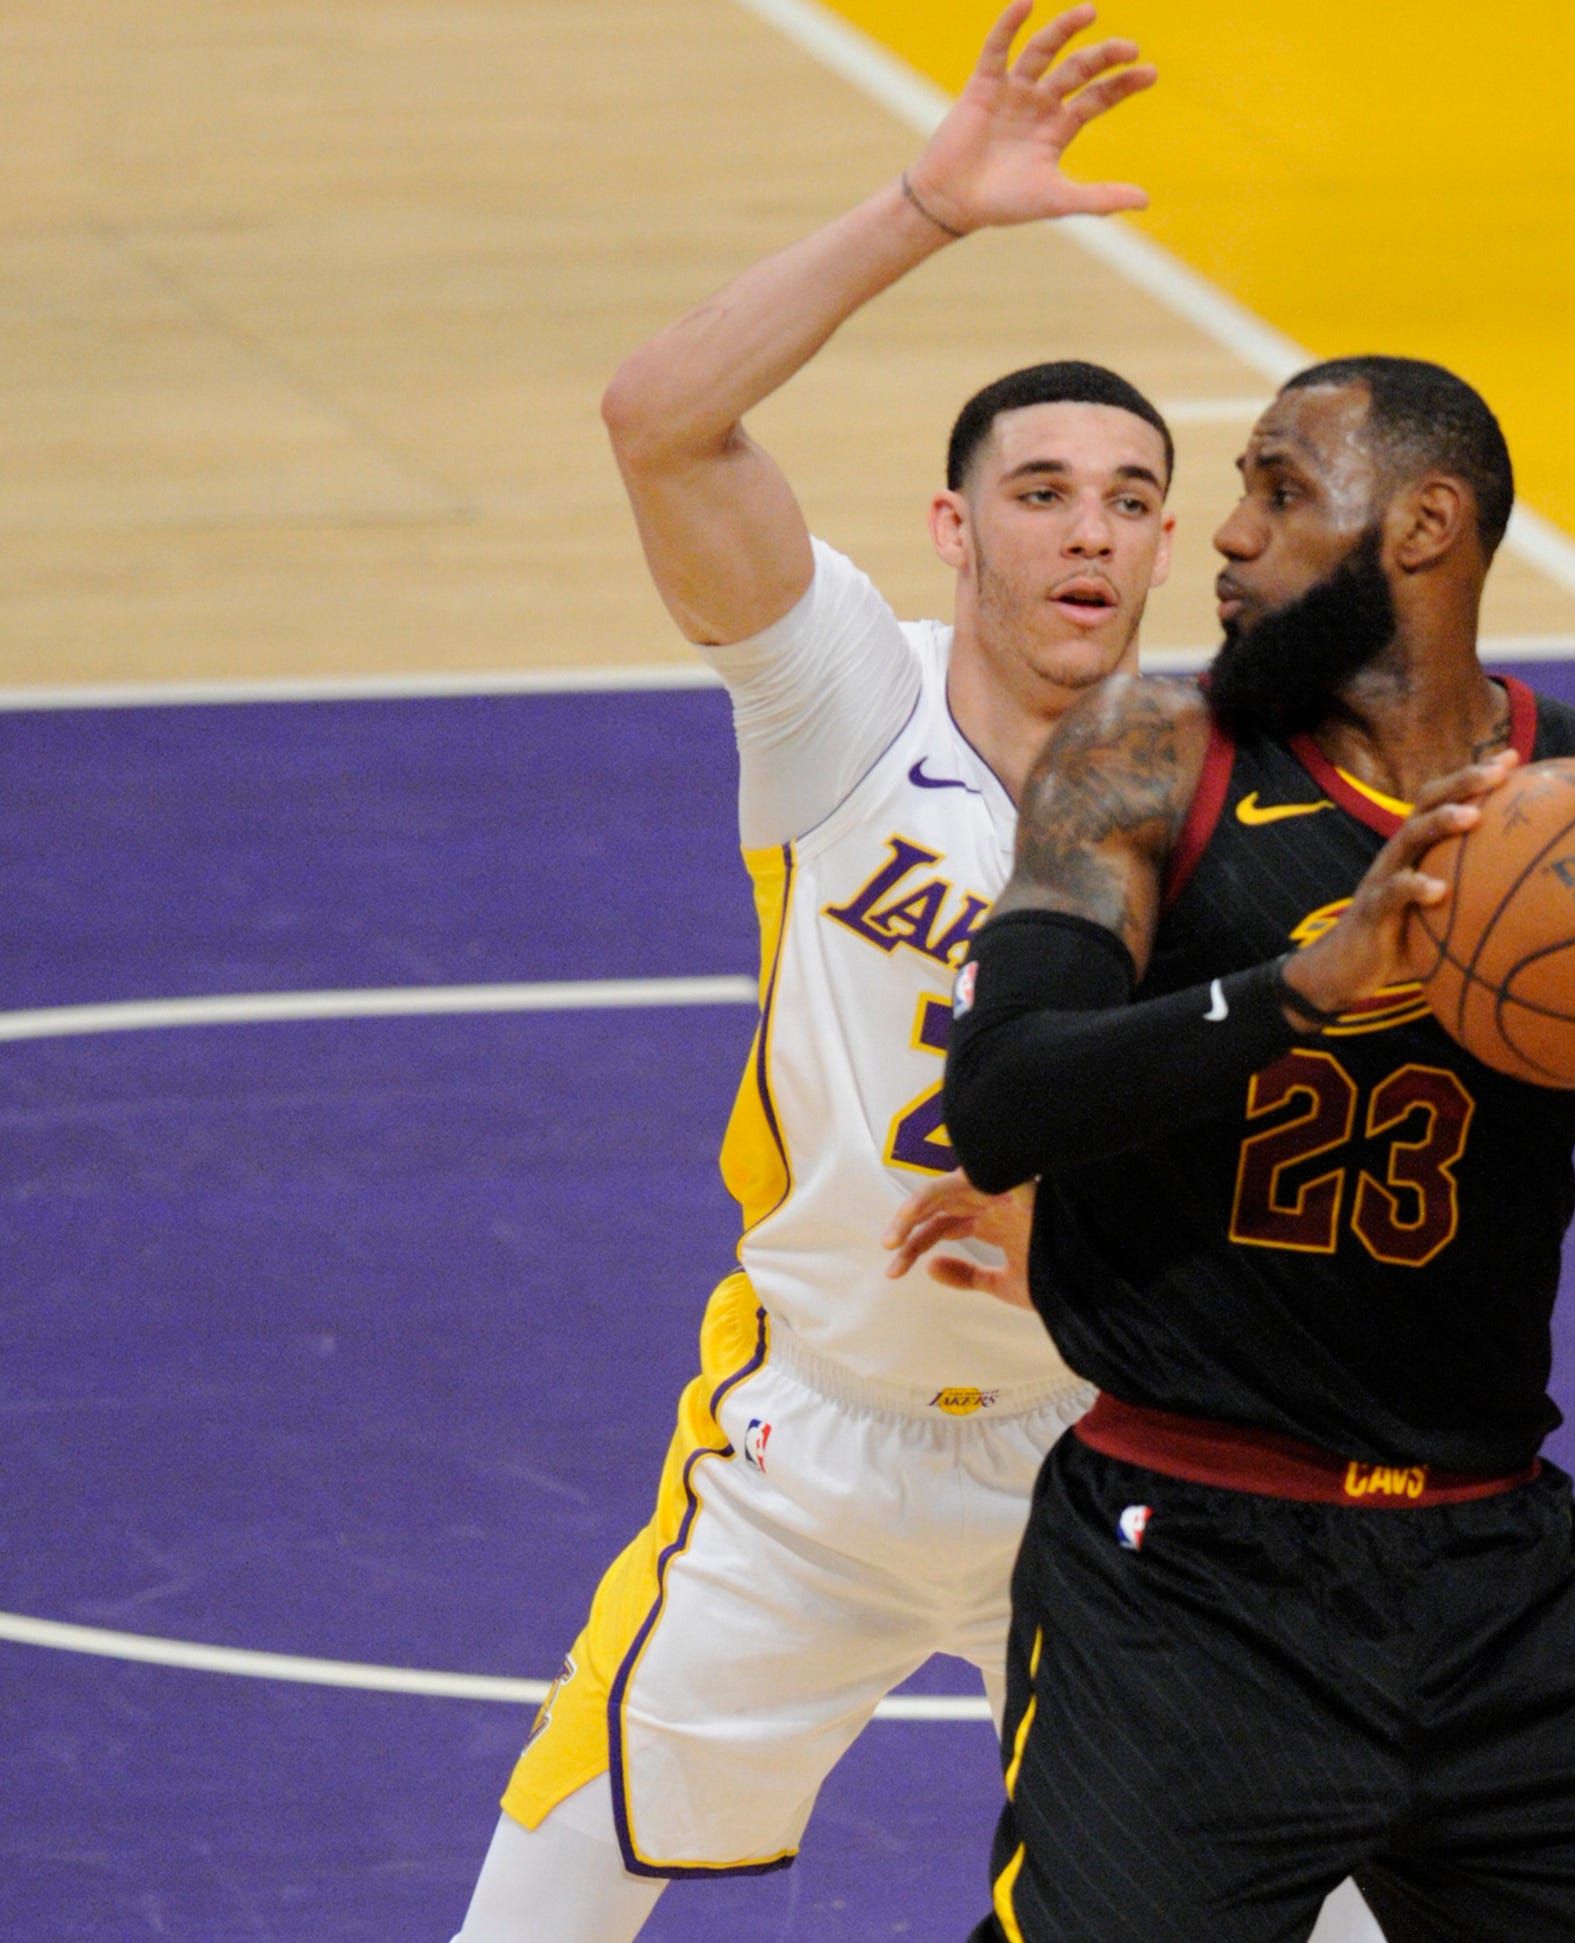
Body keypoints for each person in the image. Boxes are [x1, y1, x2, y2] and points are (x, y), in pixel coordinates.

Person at [449, 6, 1190, 1936]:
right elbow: (656, 418)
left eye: (1126, 498)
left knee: (1336, 1903)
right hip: (808, 1454)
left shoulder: (1223, 802)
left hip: (1113, 1453)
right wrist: (924, 207)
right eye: (1040, 491)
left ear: (1169, 546)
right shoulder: (843, 703)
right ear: (954, 530)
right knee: (533, 1912)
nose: (1085, 531)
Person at [941, 355, 1575, 1940]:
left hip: (1494, 1581)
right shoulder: (1149, 752)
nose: (1226, 537)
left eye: (1279, 489)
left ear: (1422, 526)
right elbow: (1000, 1103)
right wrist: (1299, 990)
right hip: (1186, 1577)